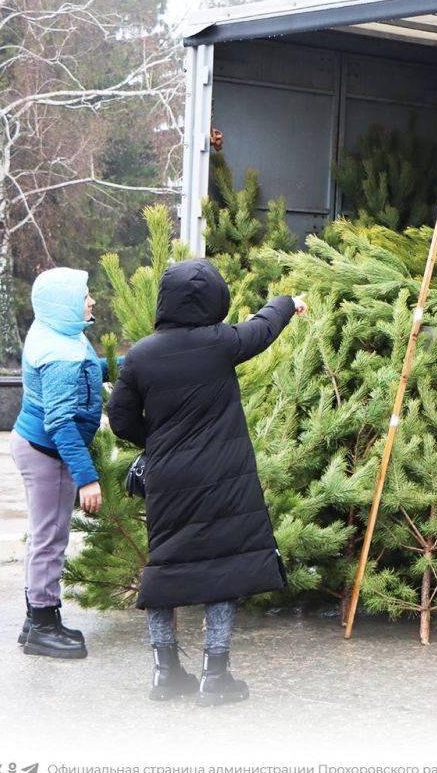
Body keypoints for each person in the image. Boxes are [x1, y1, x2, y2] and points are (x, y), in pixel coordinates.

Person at [107, 258, 306, 705]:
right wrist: (288, 302)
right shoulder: (221, 343)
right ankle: (215, 676)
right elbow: (262, 327)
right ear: (215, 298)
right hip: (222, 477)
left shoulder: (140, 354)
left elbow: (120, 418)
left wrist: (157, 442)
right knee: (224, 568)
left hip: (168, 479)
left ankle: (165, 673)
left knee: (164, 565)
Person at [12, 268, 113, 659]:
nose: (92, 301)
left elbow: (87, 372)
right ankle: (42, 626)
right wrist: (86, 478)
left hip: (42, 448)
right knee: (50, 538)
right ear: (62, 303)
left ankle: (36, 618)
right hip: (46, 453)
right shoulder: (58, 355)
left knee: (46, 536)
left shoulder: (62, 333)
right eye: (85, 295)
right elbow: (59, 423)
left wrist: (126, 363)